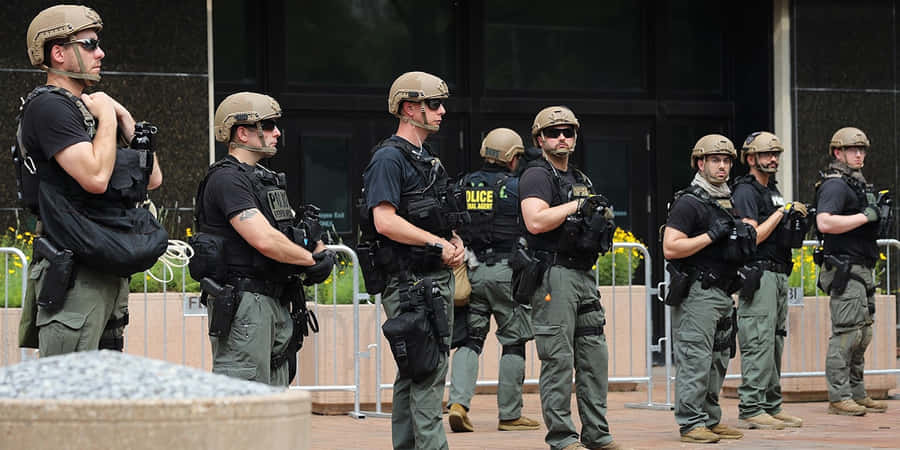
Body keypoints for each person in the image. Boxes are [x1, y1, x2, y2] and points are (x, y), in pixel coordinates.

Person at [18, 4, 163, 356]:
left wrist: (124, 117)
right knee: (67, 396)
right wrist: (107, 116)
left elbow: (154, 178)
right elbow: (96, 178)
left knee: (105, 394)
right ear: (59, 53)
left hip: (103, 264)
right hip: (74, 273)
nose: (101, 52)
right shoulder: (49, 107)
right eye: (89, 44)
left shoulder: (89, 110)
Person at [194, 92, 334, 386]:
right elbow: (263, 239)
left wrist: (318, 249)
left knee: (274, 402)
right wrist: (310, 261)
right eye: (268, 125)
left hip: (275, 300)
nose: (277, 132)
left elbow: (291, 233)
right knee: (244, 403)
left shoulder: (264, 178)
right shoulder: (227, 178)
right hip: (247, 302)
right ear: (242, 131)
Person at [359, 71, 466, 450]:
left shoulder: (427, 159)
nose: (442, 111)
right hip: (410, 282)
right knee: (427, 371)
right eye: (433, 104)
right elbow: (383, 220)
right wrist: (438, 244)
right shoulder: (390, 158)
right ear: (409, 108)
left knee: (414, 372)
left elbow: (436, 214)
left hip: (431, 277)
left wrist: (453, 241)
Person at [518, 106, 623, 450]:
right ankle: (563, 438)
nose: (561, 137)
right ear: (540, 139)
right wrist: (579, 207)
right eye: (553, 132)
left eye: (568, 131)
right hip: (554, 275)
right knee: (558, 360)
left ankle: (597, 434)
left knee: (594, 358)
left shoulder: (579, 179)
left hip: (583, 274)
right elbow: (535, 220)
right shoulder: (537, 174)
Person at [446, 128, 540, 433]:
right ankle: (510, 415)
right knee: (513, 341)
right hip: (506, 272)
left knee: (470, 341)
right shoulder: (516, 187)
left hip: (470, 270)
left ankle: (459, 403)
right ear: (512, 157)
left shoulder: (463, 185)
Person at [662, 134, 753, 444]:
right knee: (696, 359)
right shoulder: (689, 201)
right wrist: (710, 236)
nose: (723, 166)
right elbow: (670, 248)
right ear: (700, 163)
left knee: (718, 360)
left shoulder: (726, 201)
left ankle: (710, 419)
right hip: (697, 293)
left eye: (727, 160)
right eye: (716, 160)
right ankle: (690, 423)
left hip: (723, 292)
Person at [731, 132, 805, 429]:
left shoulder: (772, 189)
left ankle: (772, 405)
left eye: (776, 154)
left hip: (778, 272)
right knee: (758, 340)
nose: (773, 159)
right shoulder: (746, 191)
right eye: (766, 154)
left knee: (775, 341)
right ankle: (751, 407)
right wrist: (780, 214)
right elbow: (752, 237)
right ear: (751, 158)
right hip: (758, 272)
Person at [814, 127, 888, 416]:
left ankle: (857, 392)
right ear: (838, 152)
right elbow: (824, 223)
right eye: (852, 149)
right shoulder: (835, 185)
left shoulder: (856, 183)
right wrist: (863, 216)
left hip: (861, 264)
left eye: (862, 150)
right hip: (845, 267)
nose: (859, 154)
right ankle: (839, 396)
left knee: (863, 334)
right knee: (846, 335)